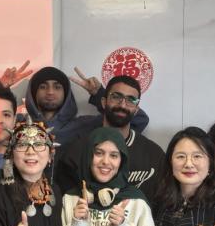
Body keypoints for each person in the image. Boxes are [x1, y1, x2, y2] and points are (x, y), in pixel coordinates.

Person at [0, 62, 148, 151]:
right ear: (32, 93)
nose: (50, 92)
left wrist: (100, 95)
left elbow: (137, 121)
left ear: (66, 94)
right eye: (43, 86)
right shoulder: (15, 125)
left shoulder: (86, 126)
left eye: (57, 87)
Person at [56, 76, 165, 204]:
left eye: (131, 100)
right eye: (116, 97)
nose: (122, 105)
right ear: (103, 102)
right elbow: (66, 203)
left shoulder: (154, 155)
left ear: (136, 110)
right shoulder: (76, 151)